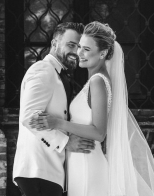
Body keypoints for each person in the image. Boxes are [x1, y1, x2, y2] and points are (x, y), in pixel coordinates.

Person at [30, 21, 154, 196]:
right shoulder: (95, 80)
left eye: (86, 49)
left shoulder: (98, 82)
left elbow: (99, 132)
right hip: (81, 160)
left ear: (102, 53)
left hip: (88, 162)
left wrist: (57, 123)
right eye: (79, 47)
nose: (79, 53)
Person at [13, 22, 96, 196]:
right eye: (71, 45)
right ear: (54, 43)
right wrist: (66, 142)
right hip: (38, 169)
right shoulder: (43, 69)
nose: (76, 52)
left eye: (80, 47)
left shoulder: (59, 74)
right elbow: (29, 117)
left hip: (49, 170)